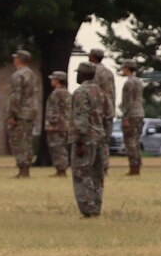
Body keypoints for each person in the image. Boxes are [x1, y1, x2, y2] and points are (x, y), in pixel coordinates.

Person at [69, 63, 110, 218]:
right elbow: (108, 115)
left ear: (83, 74)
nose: (76, 76)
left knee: (81, 174)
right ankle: (96, 207)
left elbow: (81, 117)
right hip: (99, 137)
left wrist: (79, 141)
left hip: (86, 138)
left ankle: (87, 209)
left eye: (78, 73)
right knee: (97, 175)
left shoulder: (81, 92)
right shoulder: (101, 92)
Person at [7, 50, 41, 177]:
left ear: (19, 59)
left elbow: (16, 96)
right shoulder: (32, 74)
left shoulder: (18, 75)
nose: (14, 60)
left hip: (20, 113)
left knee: (19, 140)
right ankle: (26, 167)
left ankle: (23, 168)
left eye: (15, 58)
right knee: (27, 140)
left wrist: (12, 114)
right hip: (30, 112)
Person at [44, 72, 73, 176]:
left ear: (57, 80)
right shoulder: (67, 93)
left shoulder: (56, 93)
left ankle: (61, 169)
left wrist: (52, 123)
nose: (51, 81)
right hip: (66, 125)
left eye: (53, 79)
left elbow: (53, 110)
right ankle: (62, 168)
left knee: (57, 147)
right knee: (63, 147)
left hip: (57, 126)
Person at [119, 63, 146, 175]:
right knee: (136, 141)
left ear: (127, 69)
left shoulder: (129, 83)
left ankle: (133, 166)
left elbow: (128, 101)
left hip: (132, 114)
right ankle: (137, 165)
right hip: (140, 113)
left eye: (123, 68)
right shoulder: (139, 82)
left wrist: (125, 117)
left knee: (130, 142)